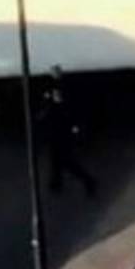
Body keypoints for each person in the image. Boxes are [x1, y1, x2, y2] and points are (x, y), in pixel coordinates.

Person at [40, 66, 97, 197]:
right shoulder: (54, 87)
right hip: (57, 127)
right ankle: (56, 182)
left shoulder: (62, 88)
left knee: (65, 160)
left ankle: (87, 180)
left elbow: (63, 106)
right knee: (56, 157)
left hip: (62, 129)